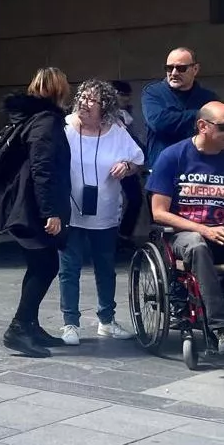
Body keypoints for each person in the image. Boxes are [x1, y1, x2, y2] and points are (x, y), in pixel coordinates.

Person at [148, 101, 224, 355]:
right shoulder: (173, 156)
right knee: (197, 245)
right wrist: (205, 230)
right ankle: (222, 327)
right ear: (203, 126)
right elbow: (159, 212)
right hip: (186, 235)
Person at [0, 67, 72, 359]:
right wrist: (51, 212)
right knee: (45, 266)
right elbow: (42, 168)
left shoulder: (32, 118)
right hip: (31, 208)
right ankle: (19, 328)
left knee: (41, 265)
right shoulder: (46, 122)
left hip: (25, 205)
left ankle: (30, 325)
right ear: (59, 91)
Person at [57, 80, 143, 345]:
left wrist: (127, 166)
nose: (84, 102)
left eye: (91, 99)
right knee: (69, 268)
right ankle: (70, 323)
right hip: (70, 211)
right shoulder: (65, 128)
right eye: (82, 97)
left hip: (104, 212)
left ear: (104, 106)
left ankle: (107, 321)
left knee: (105, 268)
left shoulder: (117, 132)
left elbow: (138, 160)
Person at [141, 48, 224, 167]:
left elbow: (220, 132)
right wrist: (203, 114)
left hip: (200, 168)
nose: (174, 73)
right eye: (169, 68)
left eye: (181, 68)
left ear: (195, 69)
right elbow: (160, 122)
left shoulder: (208, 97)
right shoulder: (153, 92)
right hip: (164, 168)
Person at [112, 80, 146, 245]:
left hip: (126, 164)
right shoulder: (107, 114)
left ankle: (123, 235)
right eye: (122, 95)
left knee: (135, 199)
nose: (126, 99)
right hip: (111, 163)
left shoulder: (127, 114)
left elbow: (133, 139)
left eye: (127, 96)